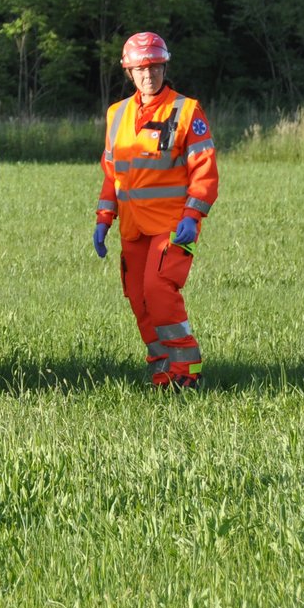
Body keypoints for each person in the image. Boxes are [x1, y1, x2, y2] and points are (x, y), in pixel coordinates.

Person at [93, 32, 219, 388]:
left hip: (174, 226)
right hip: (133, 228)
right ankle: (162, 367)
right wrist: (104, 219)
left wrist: (193, 217)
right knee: (138, 295)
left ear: (164, 67)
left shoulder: (187, 110)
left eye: (154, 67)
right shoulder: (116, 114)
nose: (148, 75)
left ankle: (186, 373)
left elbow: (205, 171)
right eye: (140, 68)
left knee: (159, 289)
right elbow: (111, 173)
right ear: (129, 72)